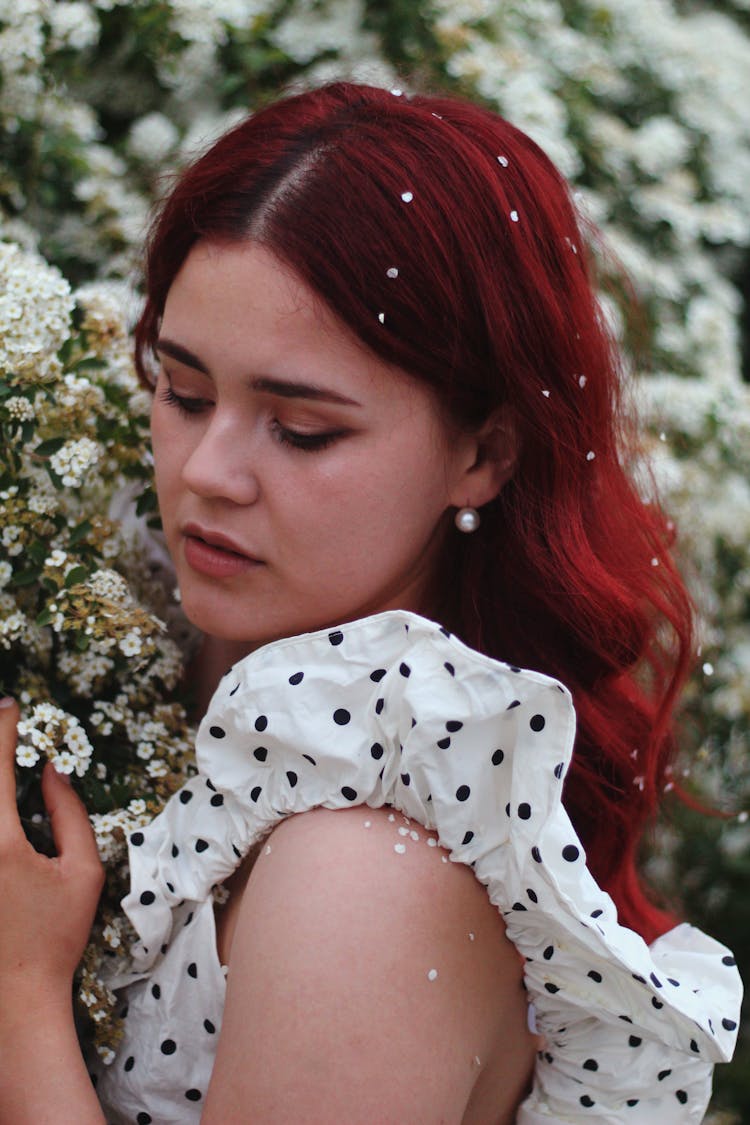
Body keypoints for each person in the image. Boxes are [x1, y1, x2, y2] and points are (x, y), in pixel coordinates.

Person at [0, 81, 741, 1124]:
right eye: (184, 391)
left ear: (482, 455)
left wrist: (20, 997)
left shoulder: (366, 878)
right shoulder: (137, 623)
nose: (209, 471)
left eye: (303, 430)